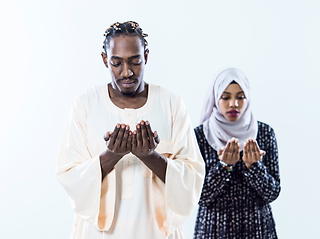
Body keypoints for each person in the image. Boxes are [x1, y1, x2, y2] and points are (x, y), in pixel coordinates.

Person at [56, 21, 205, 239]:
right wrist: (111, 156)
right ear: (105, 59)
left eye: (135, 62)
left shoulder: (171, 104)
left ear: (146, 56)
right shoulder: (85, 104)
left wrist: (149, 156)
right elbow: (68, 175)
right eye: (117, 63)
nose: (127, 72)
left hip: (156, 232)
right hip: (99, 234)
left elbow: (193, 178)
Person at [193, 68, 280, 239]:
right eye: (226, 97)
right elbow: (198, 196)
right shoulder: (200, 136)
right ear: (215, 97)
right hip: (214, 229)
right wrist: (224, 166)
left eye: (240, 97)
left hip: (258, 228)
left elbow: (272, 192)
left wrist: (253, 167)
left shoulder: (264, 133)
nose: (234, 104)